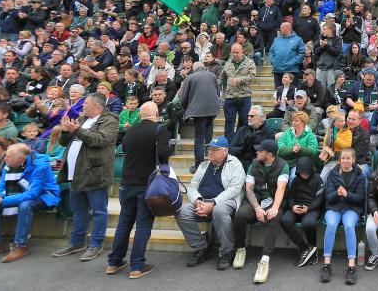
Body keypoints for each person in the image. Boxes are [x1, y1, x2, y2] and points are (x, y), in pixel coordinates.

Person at [108, 100, 171, 279]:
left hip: (126, 182)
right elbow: (163, 154)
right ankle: (137, 266)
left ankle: (114, 262)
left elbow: (125, 149)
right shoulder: (160, 129)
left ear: (141, 115)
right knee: (143, 225)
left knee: (124, 223)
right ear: (156, 113)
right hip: (147, 184)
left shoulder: (130, 130)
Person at [52, 91, 118, 262]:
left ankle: (96, 244)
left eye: (85, 103)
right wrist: (66, 131)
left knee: (98, 211)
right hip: (75, 172)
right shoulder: (82, 119)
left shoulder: (110, 120)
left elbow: (100, 139)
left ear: (96, 105)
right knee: (78, 210)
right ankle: (77, 242)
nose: (82, 106)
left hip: (95, 172)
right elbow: (64, 142)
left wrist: (77, 129)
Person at [0, 143, 60, 262]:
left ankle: (21, 246)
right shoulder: (8, 165)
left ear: (21, 159)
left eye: (9, 157)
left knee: (25, 206)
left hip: (45, 195)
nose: (5, 159)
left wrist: (3, 200)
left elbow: (32, 194)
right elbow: (1, 188)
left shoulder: (40, 165)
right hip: (21, 193)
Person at [179, 135, 246, 270]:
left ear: (225, 151)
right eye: (209, 149)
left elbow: (234, 189)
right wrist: (197, 200)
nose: (210, 152)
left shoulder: (235, 164)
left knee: (219, 210)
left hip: (226, 201)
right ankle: (201, 247)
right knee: (182, 211)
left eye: (215, 150)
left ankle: (227, 251)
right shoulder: (204, 165)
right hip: (203, 201)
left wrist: (213, 203)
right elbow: (192, 187)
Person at [231, 138, 289, 284]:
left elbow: (281, 188)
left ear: (269, 154)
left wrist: (275, 208)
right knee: (240, 215)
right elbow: (249, 189)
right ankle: (240, 249)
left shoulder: (283, 165)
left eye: (260, 151)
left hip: (274, 201)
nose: (257, 152)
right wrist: (257, 208)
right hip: (256, 200)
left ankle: (265, 260)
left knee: (274, 218)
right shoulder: (254, 164)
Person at [320, 148, 366, 285]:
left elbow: (360, 198)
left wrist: (347, 195)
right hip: (334, 207)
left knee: (349, 225)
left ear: (353, 160)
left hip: (351, 208)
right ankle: (326, 265)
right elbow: (328, 197)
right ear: (340, 159)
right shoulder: (332, 173)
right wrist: (337, 193)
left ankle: (351, 267)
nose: (345, 160)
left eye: (348, 158)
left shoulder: (360, 175)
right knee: (331, 224)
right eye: (343, 158)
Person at [280, 156, 324, 268]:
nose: (303, 174)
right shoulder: (296, 180)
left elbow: (320, 200)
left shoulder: (318, 179)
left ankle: (313, 248)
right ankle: (305, 248)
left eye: (306, 172)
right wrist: (293, 206)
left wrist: (308, 208)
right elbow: (291, 197)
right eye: (301, 172)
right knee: (285, 220)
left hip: (312, 208)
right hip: (297, 207)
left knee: (308, 223)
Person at [180, 62, 221, 173]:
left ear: (194, 69)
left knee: (199, 137)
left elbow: (183, 97)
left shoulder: (190, 77)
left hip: (198, 110)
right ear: (203, 67)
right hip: (213, 108)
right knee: (209, 128)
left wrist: (186, 109)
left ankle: (198, 165)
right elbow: (217, 92)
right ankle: (210, 156)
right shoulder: (212, 75)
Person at [220, 43, 256, 139]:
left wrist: (239, 80)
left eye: (237, 52)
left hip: (244, 96)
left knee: (244, 121)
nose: (235, 54)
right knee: (229, 121)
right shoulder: (228, 63)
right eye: (233, 52)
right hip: (230, 97)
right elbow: (221, 77)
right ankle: (228, 142)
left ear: (242, 52)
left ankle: (240, 141)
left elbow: (252, 77)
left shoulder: (250, 63)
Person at [228, 105, 275, 171]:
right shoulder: (242, 130)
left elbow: (268, 154)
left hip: (259, 167)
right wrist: (242, 149)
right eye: (248, 116)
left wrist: (254, 147)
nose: (249, 118)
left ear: (261, 118)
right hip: (240, 164)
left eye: (252, 116)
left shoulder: (269, 133)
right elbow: (231, 149)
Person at [270, 21, 304, 88]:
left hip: (291, 70)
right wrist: (273, 62)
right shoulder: (276, 40)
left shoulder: (298, 39)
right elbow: (271, 52)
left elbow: (302, 53)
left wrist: (293, 62)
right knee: (278, 92)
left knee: (291, 92)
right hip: (277, 70)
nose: (280, 30)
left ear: (288, 29)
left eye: (282, 28)